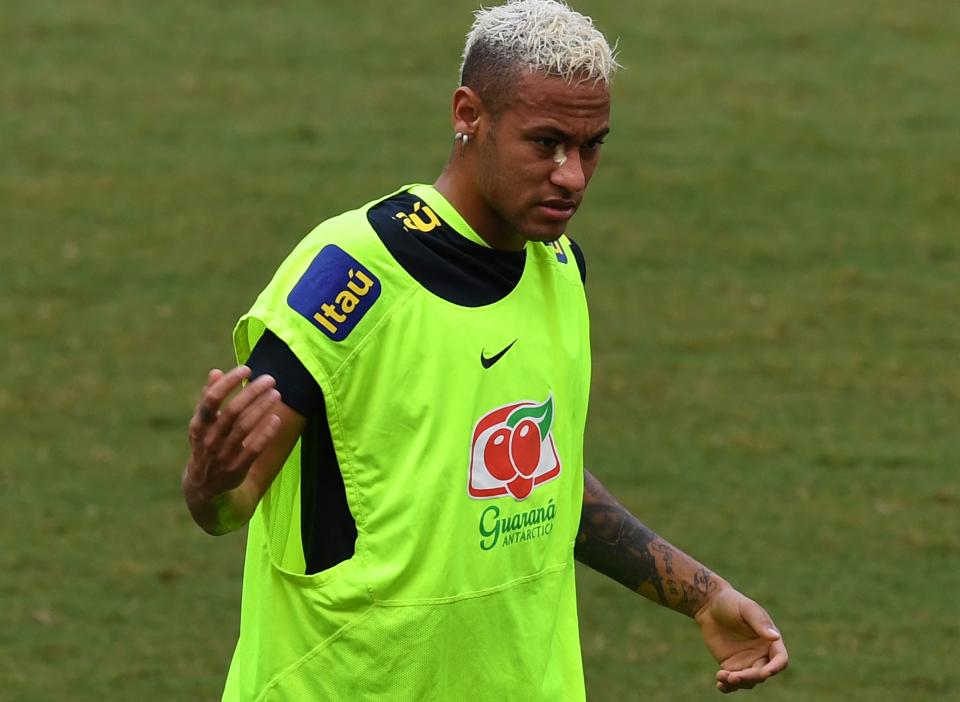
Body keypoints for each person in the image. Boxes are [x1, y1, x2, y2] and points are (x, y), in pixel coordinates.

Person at [182, 1, 789, 699]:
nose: (573, 175)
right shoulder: (351, 275)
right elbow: (230, 503)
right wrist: (209, 482)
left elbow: (538, 478)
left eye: (592, 145)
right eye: (547, 142)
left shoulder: (558, 268)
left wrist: (702, 595)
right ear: (469, 114)